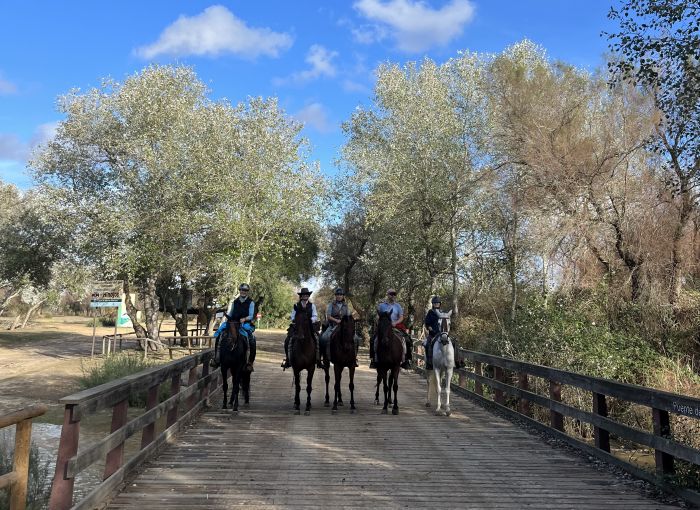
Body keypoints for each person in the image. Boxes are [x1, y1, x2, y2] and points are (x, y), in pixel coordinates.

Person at [211, 283, 256, 371]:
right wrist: (226, 316)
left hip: (244, 323)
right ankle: (216, 359)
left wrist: (244, 318)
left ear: (247, 292)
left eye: (245, 290)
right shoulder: (235, 301)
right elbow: (231, 313)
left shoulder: (251, 302)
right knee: (220, 335)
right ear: (239, 290)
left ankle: (249, 362)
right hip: (233, 322)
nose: (243, 292)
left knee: (252, 339)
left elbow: (251, 316)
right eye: (242, 290)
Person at [370, 288, 412, 370]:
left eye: (394, 294)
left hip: (395, 326)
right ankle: (374, 360)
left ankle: (406, 360)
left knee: (407, 339)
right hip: (384, 328)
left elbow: (401, 317)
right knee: (373, 339)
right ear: (387, 295)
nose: (393, 296)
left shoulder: (398, 306)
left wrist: (395, 323)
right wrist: (378, 320)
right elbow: (377, 316)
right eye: (391, 294)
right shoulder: (381, 306)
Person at [281, 288, 322, 369]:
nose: (305, 296)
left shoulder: (312, 305)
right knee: (288, 340)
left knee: (318, 339)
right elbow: (292, 316)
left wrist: (310, 320)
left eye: (307, 295)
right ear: (301, 296)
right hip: (298, 326)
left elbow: (315, 316)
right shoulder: (296, 305)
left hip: (309, 326)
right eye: (304, 295)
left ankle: (318, 360)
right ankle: (288, 359)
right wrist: (296, 320)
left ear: (308, 296)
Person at [319, 287, 359, 367]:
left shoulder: (346, 305)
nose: (339, 296)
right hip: (333, 325)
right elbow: (329, 316)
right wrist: (336, 321)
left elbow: (348, 316)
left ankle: (354, 358)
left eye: (340, 295)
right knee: (323, 338)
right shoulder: (331, 305)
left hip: (344, 327)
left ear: (343, 296)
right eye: (337, 294)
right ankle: (323, 357)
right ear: (335, 296)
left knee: (356, 338)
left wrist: (352, 317)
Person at [423, 296, 442, 370]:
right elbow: (427, 323)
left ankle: (457, 361)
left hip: (442, 333)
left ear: (440, 304)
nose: (436, 304)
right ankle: (429, 363)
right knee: (428, 344)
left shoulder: (442, 312)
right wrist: (430, 329)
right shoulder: (430, 312)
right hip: (433, 334)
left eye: (437, 303)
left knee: (453, 343)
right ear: (433, 304)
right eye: (435, 303)